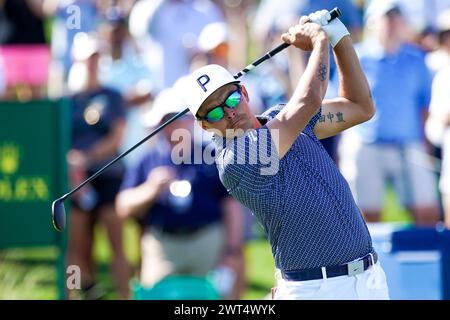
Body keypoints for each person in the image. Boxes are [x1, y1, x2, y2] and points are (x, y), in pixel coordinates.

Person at [179, 10, 389, 300]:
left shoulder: (281, 117)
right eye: (214, 111)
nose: (228, 111)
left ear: (245, 93)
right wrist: (319, 40)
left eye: (231, 98)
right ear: (205, 125)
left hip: (369, 279)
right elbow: (308, 100)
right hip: (315, 289)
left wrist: (339, 37)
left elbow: (360, 105)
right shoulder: (235, 160)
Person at [115, 88, 246, 299]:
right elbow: (123, 206)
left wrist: (232, 250)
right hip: (163, 244)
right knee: (154, 293)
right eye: (167, 122)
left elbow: (231, 204)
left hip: (208, 239)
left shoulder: (213, 155)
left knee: (220, 294)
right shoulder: (148, 160)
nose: (174, 127)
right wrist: (150, 190)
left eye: (179, 120)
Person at [338, 0, 440, 225]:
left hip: (409, 143)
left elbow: (424, 105)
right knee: (367, 215)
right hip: (367, 143)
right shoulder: (356, 57)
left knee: (426, 212)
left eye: (397, 16)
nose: (393, 22)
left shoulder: (416, 59)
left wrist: (425, 143)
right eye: (387, 17)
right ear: (372, 23)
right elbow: (341, 102)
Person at [66, 34, 131, 299]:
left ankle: (126, 295)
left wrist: (86, 156)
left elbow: (116, 137)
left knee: (117, 244)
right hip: (76, 179)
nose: (92, 63)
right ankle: (79, 291)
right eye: (87, 58)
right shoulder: (66, 99)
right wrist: (73, 161)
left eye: (96, 57)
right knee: (76, 245)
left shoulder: (112, 96)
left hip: (109, 174)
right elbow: (58, 138)